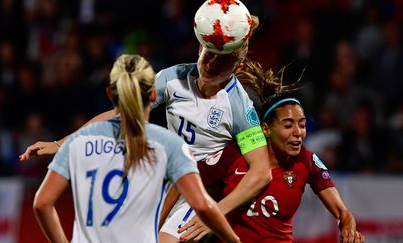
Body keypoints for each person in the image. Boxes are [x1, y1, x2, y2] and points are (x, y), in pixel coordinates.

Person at [21, 1, 272, 242]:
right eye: (208, 52)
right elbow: (122, 115)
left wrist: (215, 215)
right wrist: (60, 143)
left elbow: (261, 173)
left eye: (222, 58)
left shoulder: (240, 106)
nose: (211, 63)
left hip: (199, 191)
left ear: (237, 64)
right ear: (199, 47)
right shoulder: (173, 78)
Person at [32, 54, 241, 243]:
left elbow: (42, 203)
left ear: (109, 94)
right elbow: (201, 205)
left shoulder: (80, 142)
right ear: (153, 96)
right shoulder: (170, 145)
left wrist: (58, 144)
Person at [179, 60, 365, 242]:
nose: (298, 133)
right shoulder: (236, 153)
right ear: (266, 129)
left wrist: (347, 226)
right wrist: (205, 215)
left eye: (302, 125)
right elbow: (188, 178)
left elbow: (342, 212)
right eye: (288, 125)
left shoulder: (306, 160)